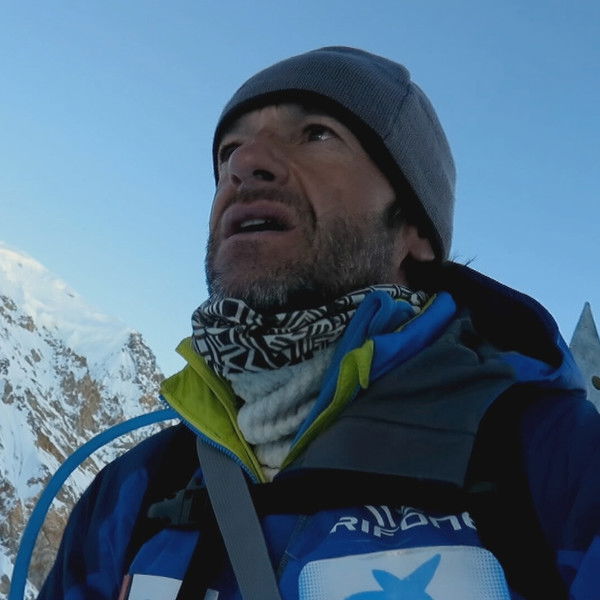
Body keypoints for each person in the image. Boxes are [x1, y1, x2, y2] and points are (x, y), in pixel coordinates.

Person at [38, 47, 600, 600]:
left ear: (415, 227)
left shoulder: (556, 463)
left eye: (316, 134)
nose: (244, 164)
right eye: (229, 151)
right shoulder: (135, 493)